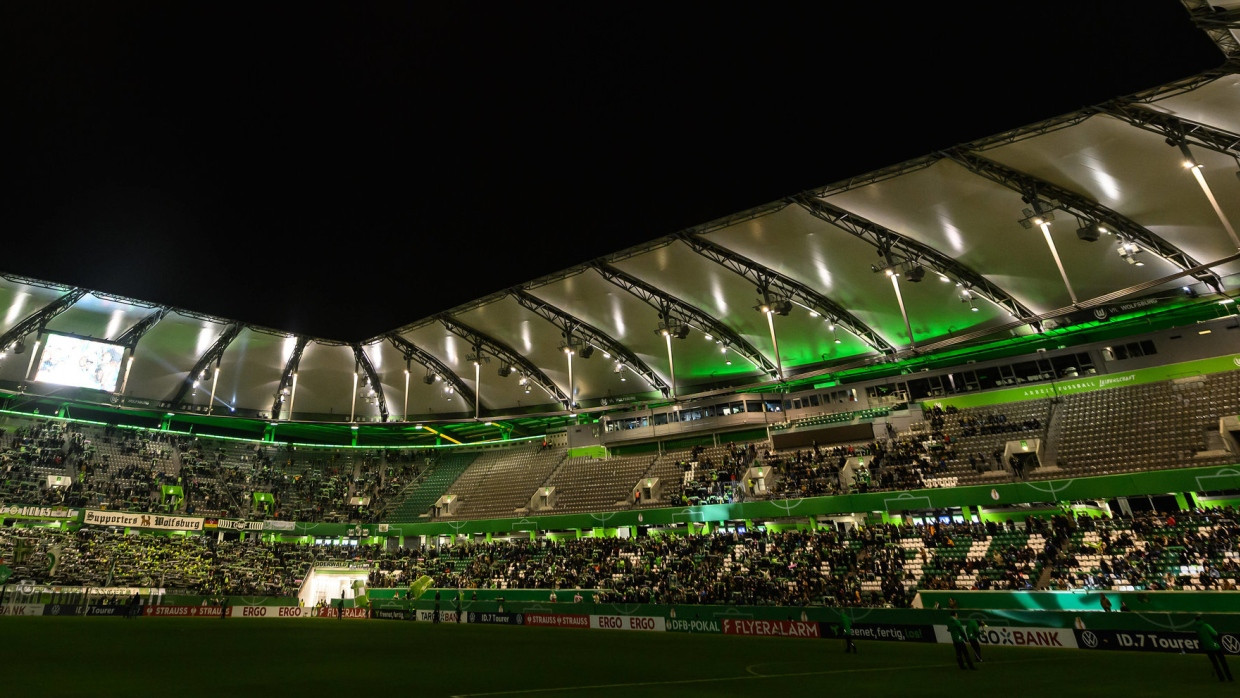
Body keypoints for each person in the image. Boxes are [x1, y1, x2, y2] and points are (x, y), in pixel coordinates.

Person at [1193, 614, 1234, 682]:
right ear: (1201, 619)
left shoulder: (1196, 628)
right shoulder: (1206, 625)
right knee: (1223, 662)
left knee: (1215, 663)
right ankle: (1229, 678)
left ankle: (1221, 678)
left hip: (1207, 648)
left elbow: (1200, 638)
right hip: (1215, 646)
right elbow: (1215, 634)